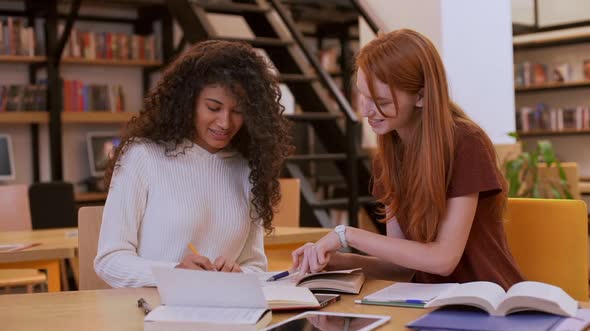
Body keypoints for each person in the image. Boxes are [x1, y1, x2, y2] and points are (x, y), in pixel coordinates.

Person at [291, 29, 523, 289]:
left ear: (421, 96)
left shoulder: (466, 142)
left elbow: (443, 260)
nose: (365, 111)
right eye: (362, 95)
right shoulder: (388, 156)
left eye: (381, 101)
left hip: (485, 301)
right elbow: (402, 269)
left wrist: (346, 234)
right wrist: (334, 261)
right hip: (430, 304)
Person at [95, 40, 293, 288]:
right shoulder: (143, 154)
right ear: (188, 101)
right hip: (152, 312)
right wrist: (174, 273)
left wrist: (238, 273)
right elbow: (109, 260)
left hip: (224, 315)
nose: (225, 123)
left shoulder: (247, 167)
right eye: (213, 107)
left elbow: (254, 263)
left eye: (238, 111)